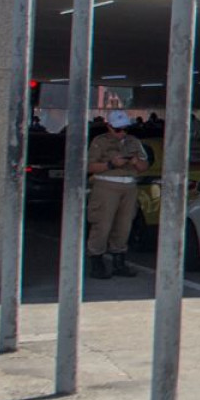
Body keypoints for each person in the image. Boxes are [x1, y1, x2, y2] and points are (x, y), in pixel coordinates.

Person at [85, 108, 149, 278]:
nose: (122, 133)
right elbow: (89, 166)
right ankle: (96, 262)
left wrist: (136, 162)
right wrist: (111, 165)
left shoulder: (134, 142)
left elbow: (144, 166)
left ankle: (119, 262)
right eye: (118, 129)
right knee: (102, 224)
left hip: (128, 186)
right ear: (109, 127)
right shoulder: (100, 142)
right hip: (106, 185)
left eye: (125, 129)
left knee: (124, 226)